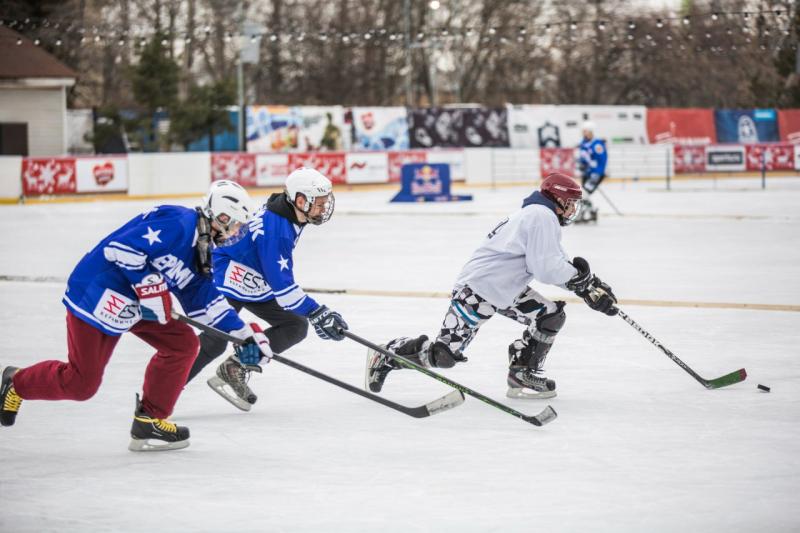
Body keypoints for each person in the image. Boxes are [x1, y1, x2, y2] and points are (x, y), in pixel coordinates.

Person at [0, 180, 271, 451]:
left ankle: (149, 419)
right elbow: (120, 248)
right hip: (97, 290)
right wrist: (150, 286)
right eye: (235, 224)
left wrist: (245, 335)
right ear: (221, 216)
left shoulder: (201, 249)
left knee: (183, 344)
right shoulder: (180, 222)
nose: (236, 232)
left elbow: (205, 301)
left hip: (137, 302)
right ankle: (16, 382)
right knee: (81, 384)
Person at [365, 173, 618, 399]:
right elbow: (546, 268)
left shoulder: (539, 215)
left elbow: (554, 262)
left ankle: (522, 373)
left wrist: (588, 286)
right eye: (571, 203)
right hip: (477, 289)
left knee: (549, 316)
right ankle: (388, 354)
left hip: (507, 290)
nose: (573, 209)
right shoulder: (541, 215)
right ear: (559, 199)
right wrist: (582, 283)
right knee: (443, 355)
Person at [186, 167, 349, 411]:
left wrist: (311, 313)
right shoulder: (278, 232)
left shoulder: (288, 208)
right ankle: (160, 395)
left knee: (294, 325)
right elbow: (282, 287)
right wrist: (317, 311)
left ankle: (234, 368)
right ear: (301, 200)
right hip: (228, 273)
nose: (324, 208)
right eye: (319, 203)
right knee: (214, 341)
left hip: (252, 276)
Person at [576, 121, 608, 224]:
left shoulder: (597, 144)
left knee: (583, 194)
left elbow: (602, 160)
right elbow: (584, 158)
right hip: (587, 173)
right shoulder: (583, 143)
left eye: (585, 131)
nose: (583, 133)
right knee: (583, 194)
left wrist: (597, 173)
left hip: (595, 174)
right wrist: (582, 164)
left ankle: (584, 213)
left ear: (591, 131)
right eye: (583, 131)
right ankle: (592, 212)